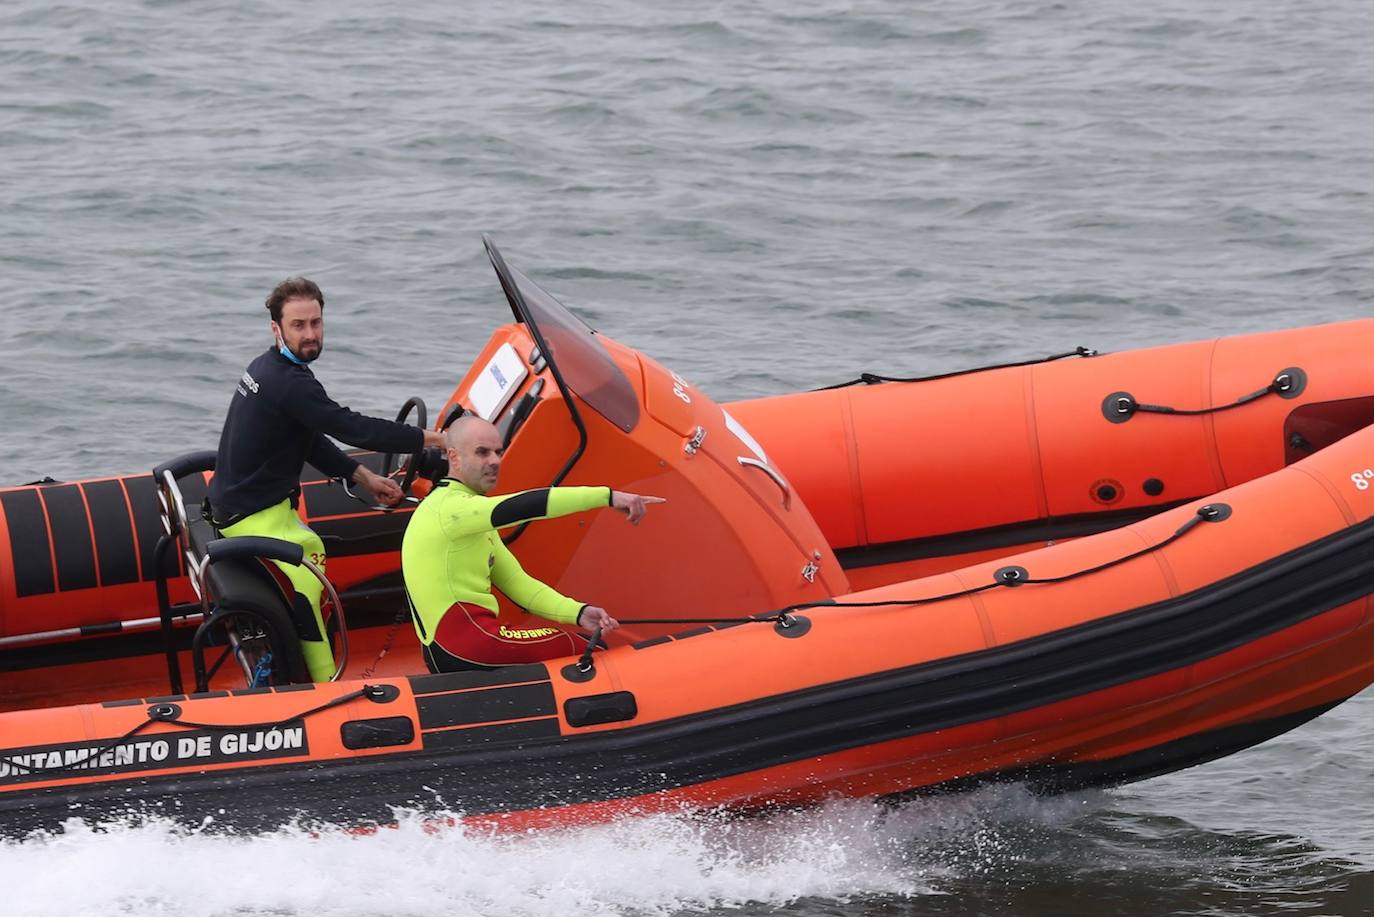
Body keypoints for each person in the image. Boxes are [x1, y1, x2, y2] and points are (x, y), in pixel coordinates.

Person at [207, 277, 446, 682]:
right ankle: (322, 685)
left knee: (311, 551)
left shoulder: (269, 367)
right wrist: (435, 437)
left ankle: (292, 663)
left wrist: (361, 475)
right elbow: (352, 428)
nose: (310, 334)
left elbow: (308, 436)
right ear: (276, 329)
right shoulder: (289, 382)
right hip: (250, 515)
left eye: (316, 323)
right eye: (299, 325)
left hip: (246, 504)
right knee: (310, 582)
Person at [402, 415, 664, 673]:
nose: (494, 461)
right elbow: (525, 505)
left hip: (454, 647)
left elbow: (519, 584)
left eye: (498, 452)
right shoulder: (450, 509)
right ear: (455, 457)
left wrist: (578, 613)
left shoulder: (467, 516)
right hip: (468, 644)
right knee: (592, 651)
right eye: (482, 452)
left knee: (579, 641)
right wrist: (608, 496)